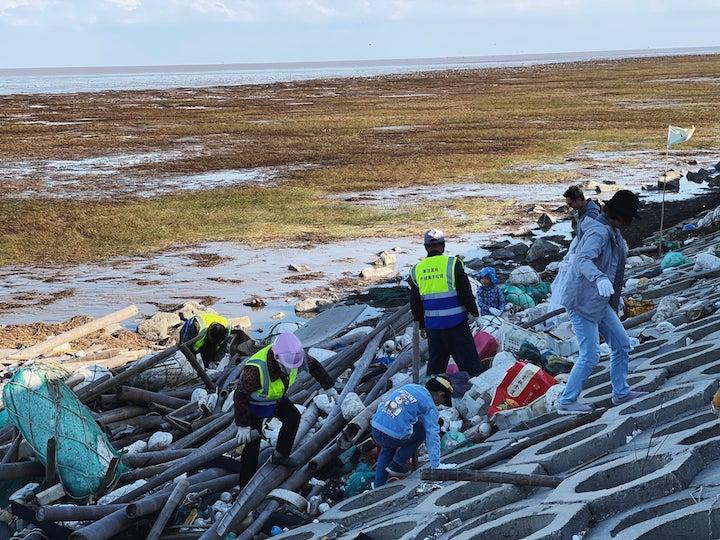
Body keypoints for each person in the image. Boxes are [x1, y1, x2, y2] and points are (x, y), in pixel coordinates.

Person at [557, 190, 647, 414]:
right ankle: (567, 402)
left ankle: (621, 392)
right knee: (590, 354)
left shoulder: (612, 230)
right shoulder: (599, 231)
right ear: (620, 215)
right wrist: (598, 278)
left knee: (622, 344)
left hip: (599, 300)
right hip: (581, 301)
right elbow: (582, 260)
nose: (630, 223)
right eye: (630, 218)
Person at [233, 332, 338, 486]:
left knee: (293, 417)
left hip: (275, 399)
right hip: (254, 405)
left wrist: (328, 386)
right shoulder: (254, 370)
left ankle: (280, 454)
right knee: (252, 445)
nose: (289, 370)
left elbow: (314, 366)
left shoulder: (296, 356)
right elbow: (240, 395)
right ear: (276, 357)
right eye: (286, 367)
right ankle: (245, 485)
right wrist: (242, 424)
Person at [408, 229, 483, 377]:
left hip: (434, 330)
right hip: (457, 327)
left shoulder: (416, 270)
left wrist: (422, 326)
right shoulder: (453, 264)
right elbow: (465, 292)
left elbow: (415, 303)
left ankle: (433, 396)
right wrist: (474, 313)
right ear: (443, 246)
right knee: (471, 368)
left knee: (436, 370)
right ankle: (477, 395)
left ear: (425, 247)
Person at [371, 376, 456, 487]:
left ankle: (378, 484)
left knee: (387, 447)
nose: (439, 405)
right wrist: (436, 465)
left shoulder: (411, 387)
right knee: (421, 432)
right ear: (441, 395)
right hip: (391, 435)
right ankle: (397, 464)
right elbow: (432, 435)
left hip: (376, 428)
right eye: (442, 401)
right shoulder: (429, 405)